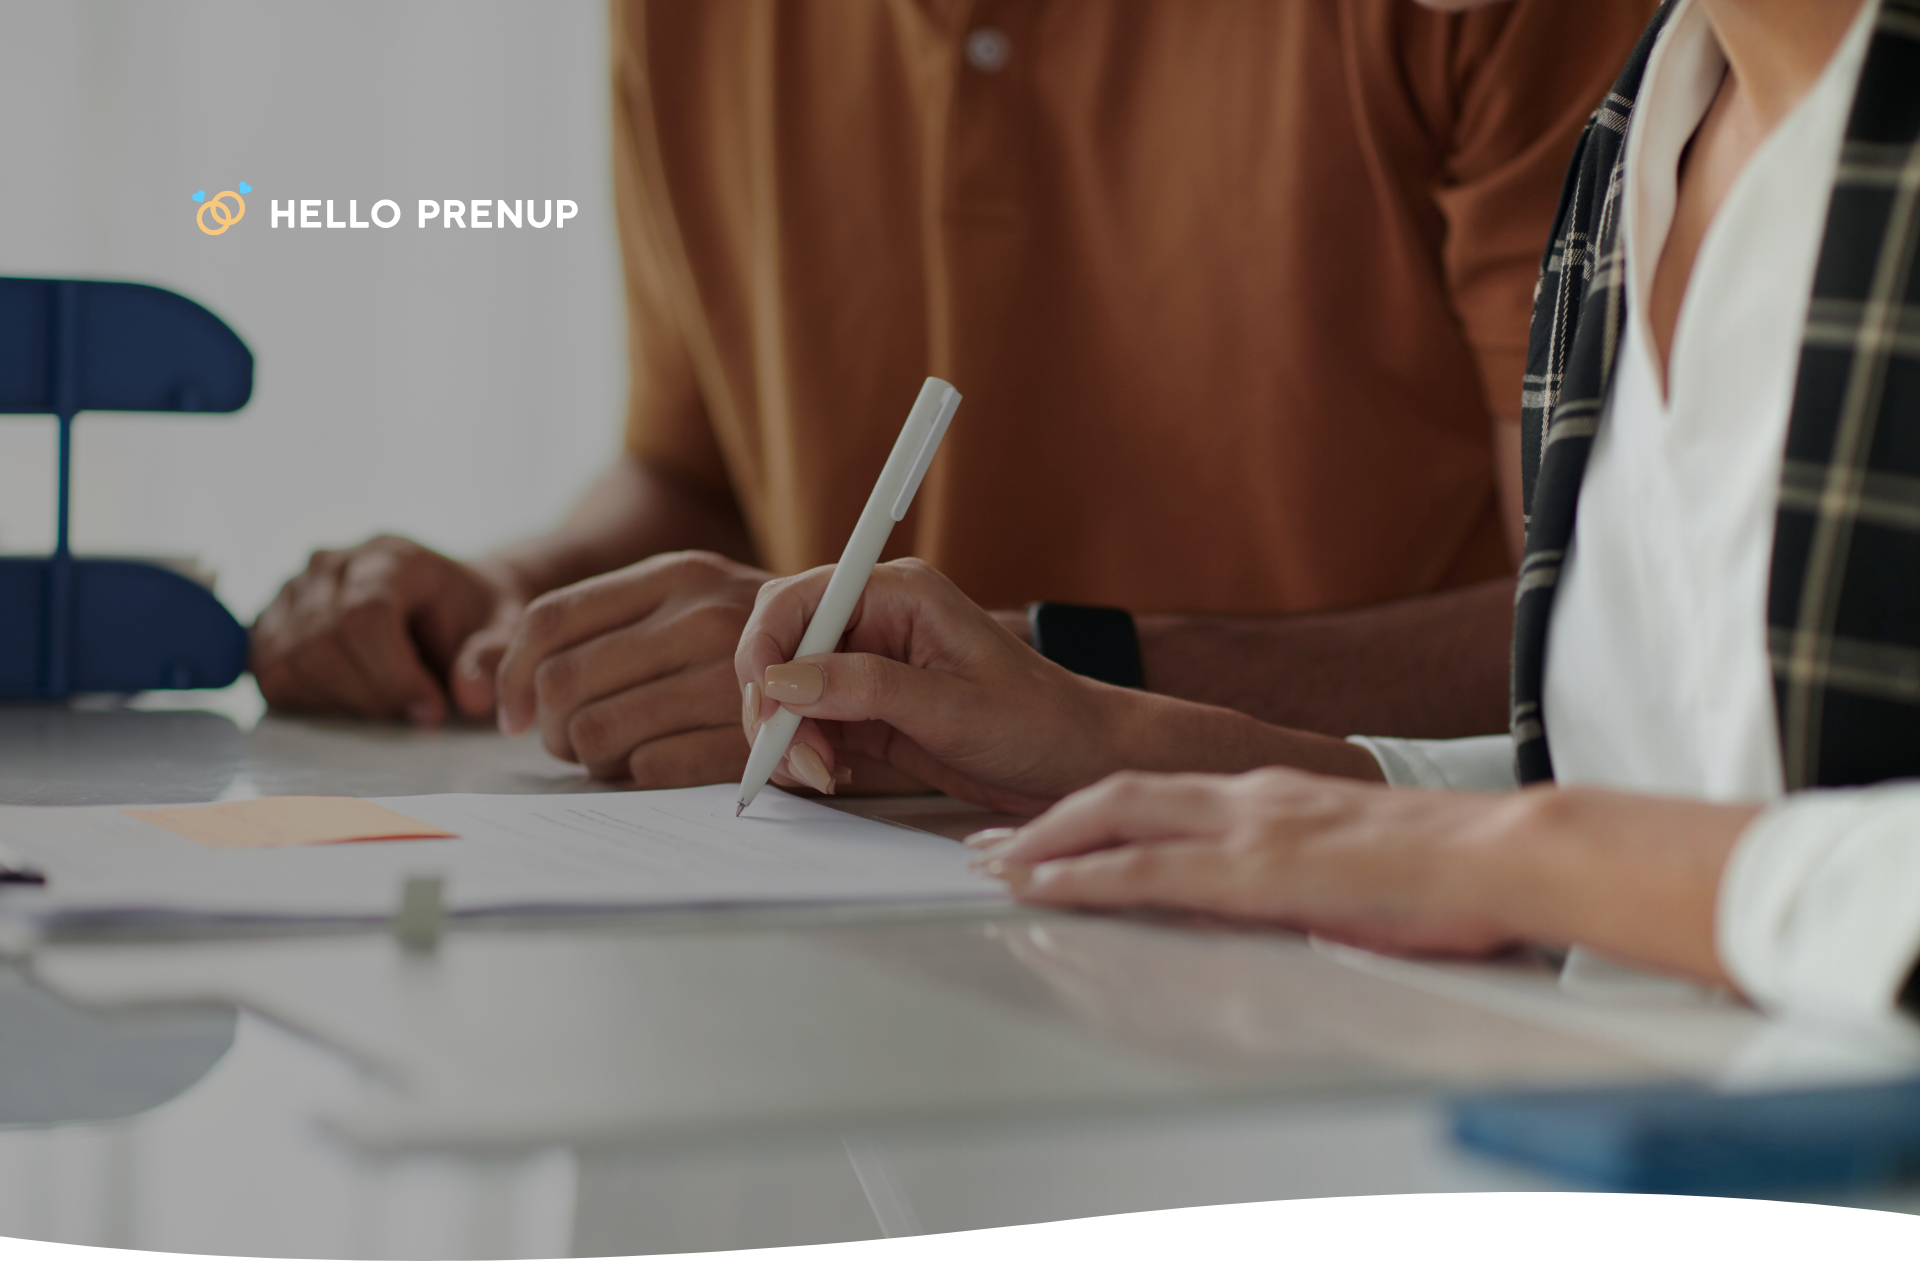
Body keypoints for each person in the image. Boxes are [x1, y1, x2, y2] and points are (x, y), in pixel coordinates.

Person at [735, 0, 1920, 1027]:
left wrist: (1523, 857)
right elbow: (1690, 809)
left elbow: (1622, 857)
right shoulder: (1652, 117)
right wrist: (1153, 747)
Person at [250, 1, 1654, 790]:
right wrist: (504, 598)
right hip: (825, 917)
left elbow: (1608, 647)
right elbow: (693, 477)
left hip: (1331, 935)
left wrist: (1044, 675)